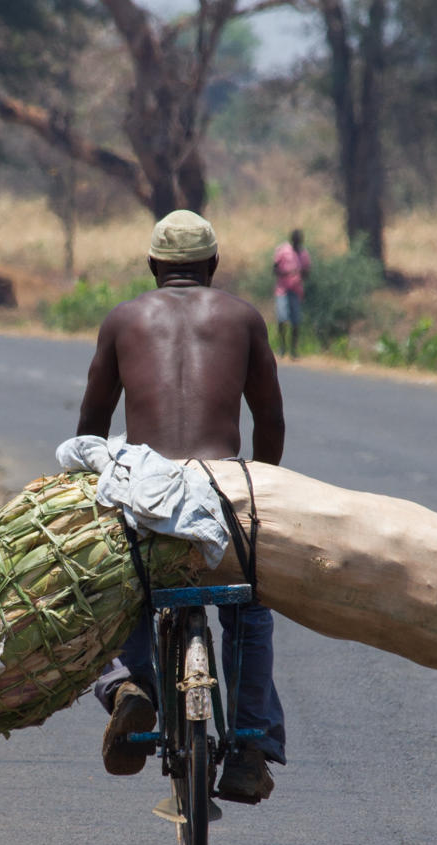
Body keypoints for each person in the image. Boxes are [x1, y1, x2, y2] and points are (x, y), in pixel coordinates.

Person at [74, 209, 287, 804]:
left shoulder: (123, 319)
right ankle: (249, 745)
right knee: (249, 605)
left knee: (115, 585)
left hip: (147, 488)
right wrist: (261, 489)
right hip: (222, 488)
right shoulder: (243, 318)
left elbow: (91, 426)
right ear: (213, 264)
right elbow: (270, 419)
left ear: (152, 265)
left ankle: (126, 686)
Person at [273, 229, 311, 356]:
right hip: (282, 290)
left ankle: (293, 349)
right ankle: (282, 346)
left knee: (296, 321)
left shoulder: (304, 254)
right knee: (282, 318)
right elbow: (274, 269)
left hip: (296, 291)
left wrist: (300, 273)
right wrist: (287, 273)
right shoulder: (283, 250)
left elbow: (307, 272)